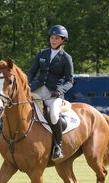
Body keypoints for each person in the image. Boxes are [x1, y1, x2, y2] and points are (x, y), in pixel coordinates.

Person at [27, 25, 74, 161]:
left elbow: (70, 80)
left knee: (53, 115)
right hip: (38, 89)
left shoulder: (66, 58)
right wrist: (26, 84)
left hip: (54, 92)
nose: (53, 40)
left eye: (57, 38)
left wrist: (60, 91)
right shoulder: (42, 53)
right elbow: (31, 72)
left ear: (63, 40)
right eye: (52, 38)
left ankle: (58, 146)